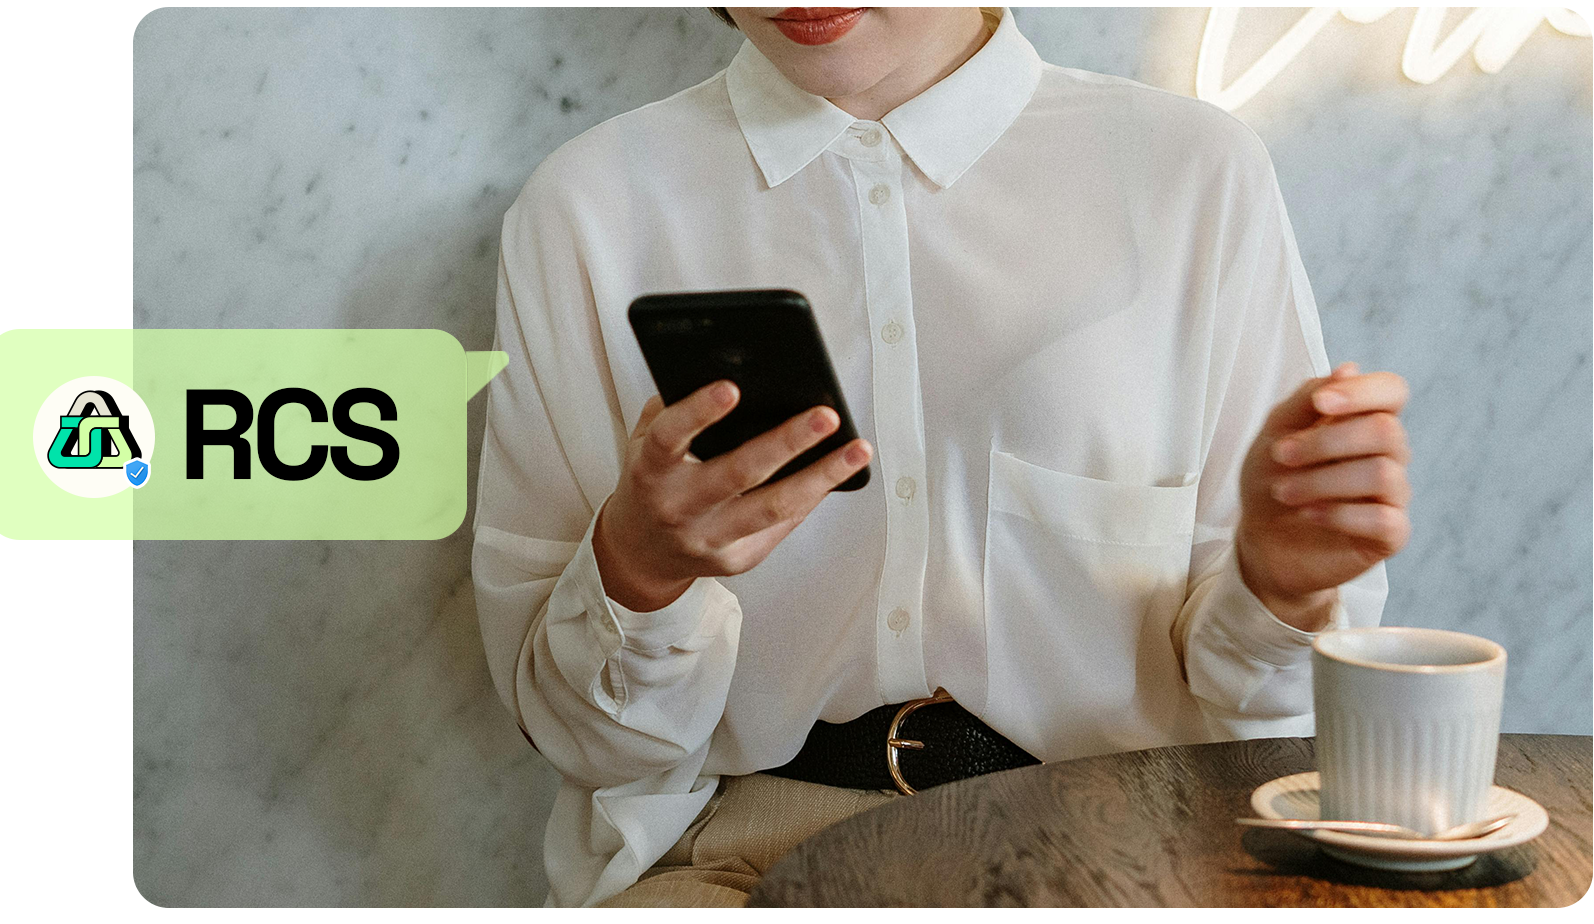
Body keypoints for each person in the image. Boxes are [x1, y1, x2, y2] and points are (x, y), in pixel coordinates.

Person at [472, 6, 1410, 908]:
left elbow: (1272, 714)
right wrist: (639, 569)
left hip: (1117, 849)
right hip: (733, 861)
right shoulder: (589, 206)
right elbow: (587, 745)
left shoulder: (1188, 173)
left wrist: (1279, 592)